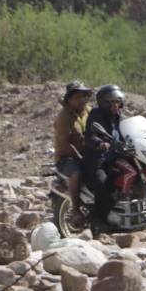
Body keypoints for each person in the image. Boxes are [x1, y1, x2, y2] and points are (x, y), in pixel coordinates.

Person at [83, 84, 126, 232]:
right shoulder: (96, 114)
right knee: (104, 183)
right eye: (111, 102)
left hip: (115, 159)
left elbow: (127, 132)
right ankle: (98, 220)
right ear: (103, 103)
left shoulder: (119, 116)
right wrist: (99, 143)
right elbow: (89, 135)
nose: (115, 105)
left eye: (117, 102)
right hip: (98, 161)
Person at [53, 81, 92, 229]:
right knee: (76, 171)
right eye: (77, 96)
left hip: (87, 154)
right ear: (69, 99)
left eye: (83, 96)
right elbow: (64, 144)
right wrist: (81, 158)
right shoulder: (63, 117)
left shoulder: (88, 111)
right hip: (66, 158)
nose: (81, 99)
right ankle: (75, 210)